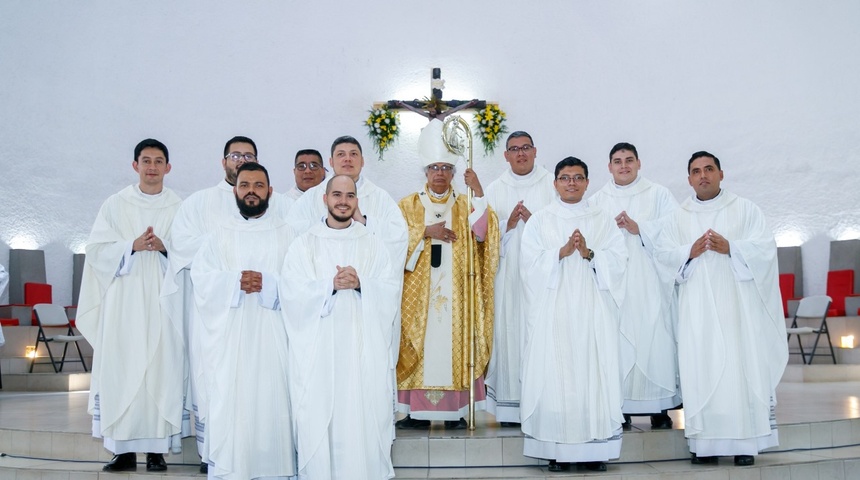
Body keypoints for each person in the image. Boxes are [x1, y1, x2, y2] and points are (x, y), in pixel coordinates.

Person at [640, 151, 787, 467]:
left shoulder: (745, 210)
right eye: (696, 171)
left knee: (738, 368)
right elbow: (663, 257)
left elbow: (764, 251)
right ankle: (704, 445)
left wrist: (733, 248)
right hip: (697, 311)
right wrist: (688, 252)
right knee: (700, 369)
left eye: (709, 169)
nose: (703, 175)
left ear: (722, 174)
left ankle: (744, 443)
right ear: (689, 179)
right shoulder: (678, 217)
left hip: (738, 311)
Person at [281, 175, 399, 480]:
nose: (343, 201)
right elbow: (291, 294)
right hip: (319, 356)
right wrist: (328, 286)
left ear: (357, 201)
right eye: (337, 194)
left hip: (362, 355)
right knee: (321, 418)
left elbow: (390, 291)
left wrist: (362, 285)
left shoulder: (372, 243)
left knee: (360, 417)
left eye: (349, 195)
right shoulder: (304, 243)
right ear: (325, 198)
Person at [76, 139, 183, 472]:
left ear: (168, 167)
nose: (152, 167)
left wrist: (166, 248)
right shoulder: (115, 204)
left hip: (164, 302)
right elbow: (95, 250)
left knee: (161, 369)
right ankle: (121, 451)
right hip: (124, 302)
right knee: (123, 368)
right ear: (135, 166)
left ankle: (156, 451)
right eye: (146, 160)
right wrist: (130, 246)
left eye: (158, 161)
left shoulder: (180, 207)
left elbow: (194, 252)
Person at [160, 135, 265, 474]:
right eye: (235, 155)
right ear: (223, 162)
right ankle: (214, 453)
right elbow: (180, 245)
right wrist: (225, 245)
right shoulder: (199, 203)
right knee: (212, 378)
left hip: (259, 310)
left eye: (248, 155)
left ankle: (254, 446)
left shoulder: (265, 201)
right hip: (211, 310)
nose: (241, 160)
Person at [520, 157, 627, 472]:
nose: (571, 183)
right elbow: (528, 265)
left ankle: (594, 451)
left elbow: (619, 260)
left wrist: (588, 253)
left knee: (592, 370)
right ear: (555, 184)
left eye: (578, 177)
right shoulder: (540, 220)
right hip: (554, 312)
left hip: (593, 310)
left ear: (587, 182)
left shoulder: (602, 219)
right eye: (565, 178)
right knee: (555, 372)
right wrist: (561, 253)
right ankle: (558, 450)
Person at [191, 162, 297, 480]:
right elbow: (201, 279)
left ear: (270, 191)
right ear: (235, 191)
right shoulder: (218, 234)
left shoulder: (288, 234)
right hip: (231, 339)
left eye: (258, 185)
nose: (251, 191)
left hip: (273, 335)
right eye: (244, 185)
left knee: (272, 403)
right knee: (231, 404)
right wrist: (234, 282)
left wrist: (269, 283)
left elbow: (300, 282)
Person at [395, 119, 500, 429]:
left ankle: (456, 411)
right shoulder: (408, 206)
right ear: (425, 172)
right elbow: (391, 241)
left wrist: (479, 192)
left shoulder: (467, 204)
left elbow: (485, 236)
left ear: (454, 173)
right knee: (419, 342)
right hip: (417, 298)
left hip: (458, 296)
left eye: (445, 167)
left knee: (454, 343)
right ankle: (415, 413)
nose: (439, 173)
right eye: (434, 167)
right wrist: (425, 231)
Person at [588, 143, 681, 429]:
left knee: (655, 339)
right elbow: (589, 240)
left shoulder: (659, 194)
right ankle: (621, 407)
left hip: (650, 282)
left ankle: (661, 408)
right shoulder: (597, 200)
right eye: (618, 161)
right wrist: (610, 234)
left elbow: (675, 228)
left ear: (639, 163)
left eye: (629, 160)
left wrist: (640, 228)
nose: (624, 165)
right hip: (615, 286)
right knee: (617, 341)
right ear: (609, 167)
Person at [469, 130, 556, 426]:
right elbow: (483, 238)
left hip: (544, 278)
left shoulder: (552, 185)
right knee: (509, 333)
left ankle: (544, 402)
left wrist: (533, 223)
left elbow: (562, 227)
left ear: (535, 151)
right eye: (514, 149)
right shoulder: (494, 189)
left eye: (526, 148)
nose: (520, 153)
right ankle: (509, 405)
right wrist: (507, 225)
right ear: (505, 156)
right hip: (507, 277)